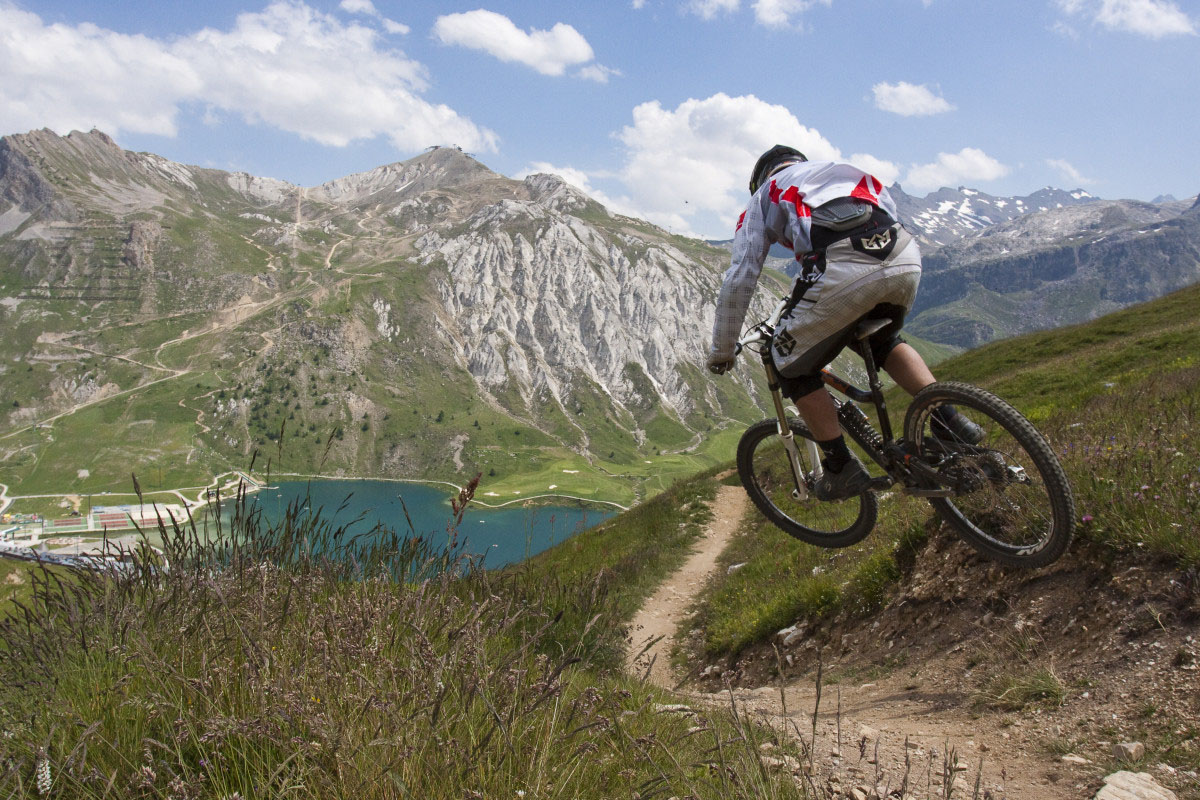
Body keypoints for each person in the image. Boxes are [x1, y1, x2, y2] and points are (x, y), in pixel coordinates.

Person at [707, 145, 981, 501]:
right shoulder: (847, 171)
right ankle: (951, 420)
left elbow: (741, 276)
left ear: (760, 178)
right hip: (903, 256)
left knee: (788, 364)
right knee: (885, 338)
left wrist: (722, 350)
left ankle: (839, 466)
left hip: (839, 265)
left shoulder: (765, 194)